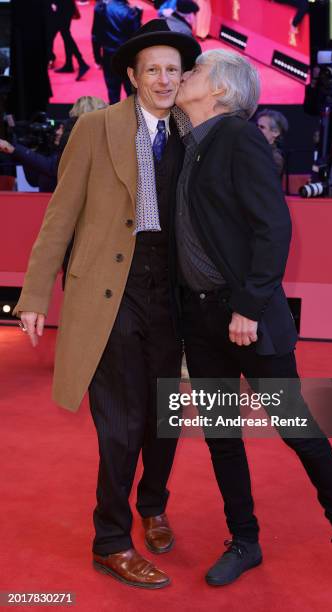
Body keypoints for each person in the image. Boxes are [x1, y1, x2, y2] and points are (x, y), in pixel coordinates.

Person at [175, 48, 332, 587]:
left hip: (245, 317)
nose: (182, 76)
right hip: (198, 319)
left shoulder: (239, 138)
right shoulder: (188, 143)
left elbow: (274, 228)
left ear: (219, 90)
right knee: (221, 436)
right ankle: (245, 540)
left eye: (194, 72)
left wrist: (248, 305)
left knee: (296, 428)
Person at [14, 19, 201, 589]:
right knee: (120, 423)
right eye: (154, 70)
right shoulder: (96, 127)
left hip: (174, 292)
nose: (164, 79)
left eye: (173, 69)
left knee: (166, 416)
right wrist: (35, 293)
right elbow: (59, 216)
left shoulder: (194, 131)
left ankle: (153, 505)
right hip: (111, 291)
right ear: (132, 75)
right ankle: (111, 540)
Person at [0, 97, 107, 192]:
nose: (59, 132)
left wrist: (14, 149)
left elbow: (52, 167)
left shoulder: (89, 145)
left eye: (74, 119)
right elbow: (38, 177)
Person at [91, 0, 142, 104]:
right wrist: (138, 16)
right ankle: (133, 118)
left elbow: (95, 36)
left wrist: (97, 58)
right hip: (128, 58)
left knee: (113, 92)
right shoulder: (130, 12)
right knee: (132, 93)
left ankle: (114, 118)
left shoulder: (101, 8)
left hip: (109, 55)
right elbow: (138, 38)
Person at [52, 0, 90, 80]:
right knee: (65, 33)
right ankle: (69, 64)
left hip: (63, 7)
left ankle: (81, 62)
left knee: (65, 34)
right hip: (65, 6)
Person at [255, 108, 288, 176]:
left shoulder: (275, 158)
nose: (256, 130)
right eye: (256, 126)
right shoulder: (254, 148)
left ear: (275, 132)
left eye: (262, 127)